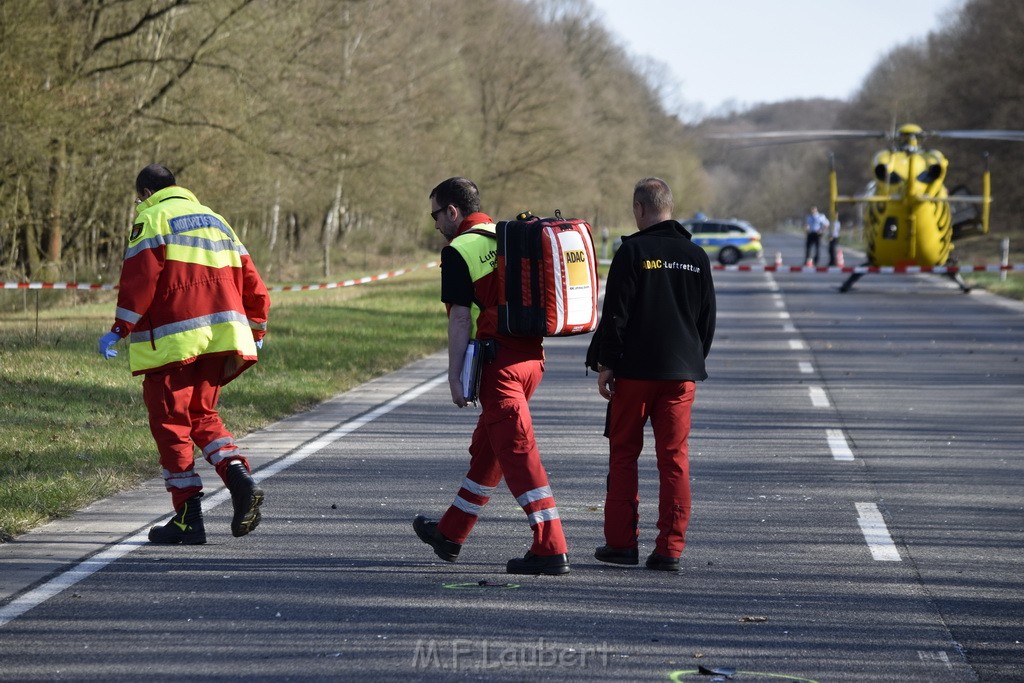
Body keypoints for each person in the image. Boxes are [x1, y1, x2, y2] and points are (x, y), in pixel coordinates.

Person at [98, 164, 270, 545]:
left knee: (171, 424)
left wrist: (118, 330)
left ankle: (187, 519)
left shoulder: (152, 217)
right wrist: (256, 325)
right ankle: (239, 478)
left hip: (174, 341)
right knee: (202, 415)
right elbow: (251, 276)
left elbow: (140, 280)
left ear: (144, 192)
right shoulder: (215, 218)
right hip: (222, 339)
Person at [413, 177, 570, 576]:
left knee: (518, 453)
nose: (434, 225)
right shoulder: (512, 237)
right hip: (533, 361)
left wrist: (454, 377)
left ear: (453, 211)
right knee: (490, 449)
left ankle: (550, 545)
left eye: (435, 214)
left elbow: (461, 318)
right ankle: (451, 533)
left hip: (499, 369)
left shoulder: (459, 250)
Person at [585, 177, 716, 572]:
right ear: (669, 207)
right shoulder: (697, 256)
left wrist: (607, 364)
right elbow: (706, 320)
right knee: (674, 460)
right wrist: (692, 360)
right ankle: (670, 550)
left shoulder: (633, 251)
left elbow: (616, 315)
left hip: (635, 373)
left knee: (624, 456)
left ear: (640, 209)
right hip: (680, 375)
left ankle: (622, 545)